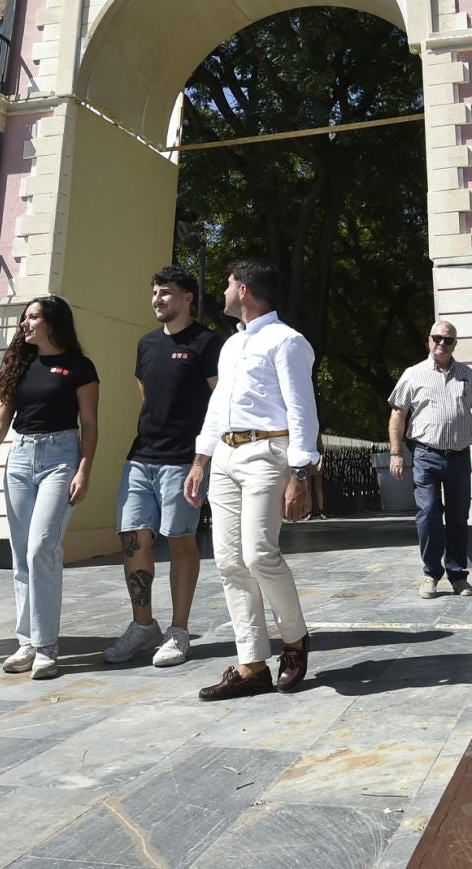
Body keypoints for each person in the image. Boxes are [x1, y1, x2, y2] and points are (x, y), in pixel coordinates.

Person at [183, 258, 318, 700]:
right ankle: (251, 665)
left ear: (243, 289)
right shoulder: (230, 345)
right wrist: (201, 460)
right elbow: (218, 406)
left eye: (227, 283)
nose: (222, 290)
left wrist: (300, 472)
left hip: (267, 453)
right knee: (228, 561)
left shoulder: (287, 341)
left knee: (259, 553)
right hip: (224, 455)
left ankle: (295, 642)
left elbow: (302, 411)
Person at [0, 296, 99, 680]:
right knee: (21, 553)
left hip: (61, 455)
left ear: (53, 322)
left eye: (33, 316)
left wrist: (84, 469)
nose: (25, 323)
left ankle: (47, 646)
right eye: (25, 317)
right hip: (20, 458)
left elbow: (89, 423)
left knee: (42, 547)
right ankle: (27, 642)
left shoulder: (79, 366)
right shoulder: (18, 365)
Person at [104, 266, 221, 668]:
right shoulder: (146, 344)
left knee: (180, 540)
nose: (158, 299)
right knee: (133, 538)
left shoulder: (207, 343)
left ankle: (179, 631)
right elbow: (147, 396)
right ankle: (143, 626)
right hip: (141, 458)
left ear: (188, 298)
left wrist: (201, 462)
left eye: (166, 293)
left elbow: (218, 405)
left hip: (182, 461)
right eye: (154, 292)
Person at [388, 320, 472, 599]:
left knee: (457, 517)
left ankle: (457, 575)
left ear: (455, 344)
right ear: (428, 340)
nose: (442, 343)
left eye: (448, 339)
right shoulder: (413, 375)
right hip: (426, 456)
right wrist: (396, 452)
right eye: (437, 337)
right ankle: (431, 574)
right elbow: (397, 415)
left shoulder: (466, 374)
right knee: (428, 514)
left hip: (459, 457)